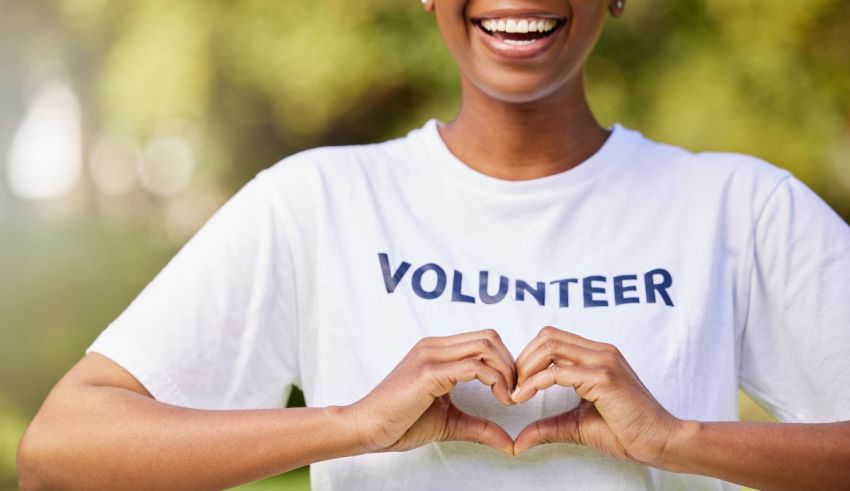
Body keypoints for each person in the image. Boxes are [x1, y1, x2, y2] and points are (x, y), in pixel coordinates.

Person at [15, 0, 850, 490]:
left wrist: (678, 438)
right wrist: (349, 422)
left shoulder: (743, 205)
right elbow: (61, 446)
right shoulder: (320, 199)